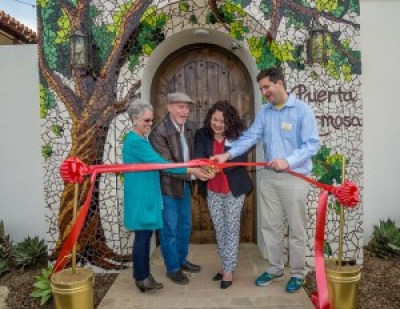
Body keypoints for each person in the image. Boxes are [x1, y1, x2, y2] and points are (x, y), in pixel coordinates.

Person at [211, 67, 320, 293]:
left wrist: (288, 161)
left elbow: (312, 144)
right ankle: (275, 268)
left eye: (266, 87)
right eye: (261, 89)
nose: (264, 92)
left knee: (296, 228)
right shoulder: (265, 112)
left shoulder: (302, 111)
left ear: (280, 83)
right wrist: (227, 154)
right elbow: (250, 137)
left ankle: (298, 273)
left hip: (294, 177)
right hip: (269, 177)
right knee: (270, 226)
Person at [123, 99, 211, 292]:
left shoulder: (140, 139)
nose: (149, 124)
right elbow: (162, 163)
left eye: (150, 120)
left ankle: (144, 275)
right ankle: (142, 278)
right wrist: (192, 171)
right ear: (134, 119)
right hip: (141, 197)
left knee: (145, 236)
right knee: (143, 237)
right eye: (145, 120)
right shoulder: (136, 142)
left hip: (146, 194)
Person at [149, 92, 214, 285]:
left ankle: (181, 259)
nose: (184, 111)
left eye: (186, 107)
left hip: (185, 185)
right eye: (180, 106)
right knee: (169, 229)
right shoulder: (158, 132)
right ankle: (173, 268)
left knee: (185, 226)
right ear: (169, 107)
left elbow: (196, 154)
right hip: (167, 188)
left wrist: (206, 165)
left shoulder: (190, 128)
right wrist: (195, 173)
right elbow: (166, 166)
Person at [194, 101, 253, 289]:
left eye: (223, 121)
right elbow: (199, 156)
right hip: (212, 189)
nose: (218, 124)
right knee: (220, 228)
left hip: (233, 189)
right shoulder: (202, 134)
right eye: (215, 119)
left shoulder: (239, 136)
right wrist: (205, 167)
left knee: (231, 228)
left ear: (230, 123)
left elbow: (241, 159)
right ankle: (224, 264)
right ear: (210, 118)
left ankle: (228, 270)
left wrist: (219, 166)